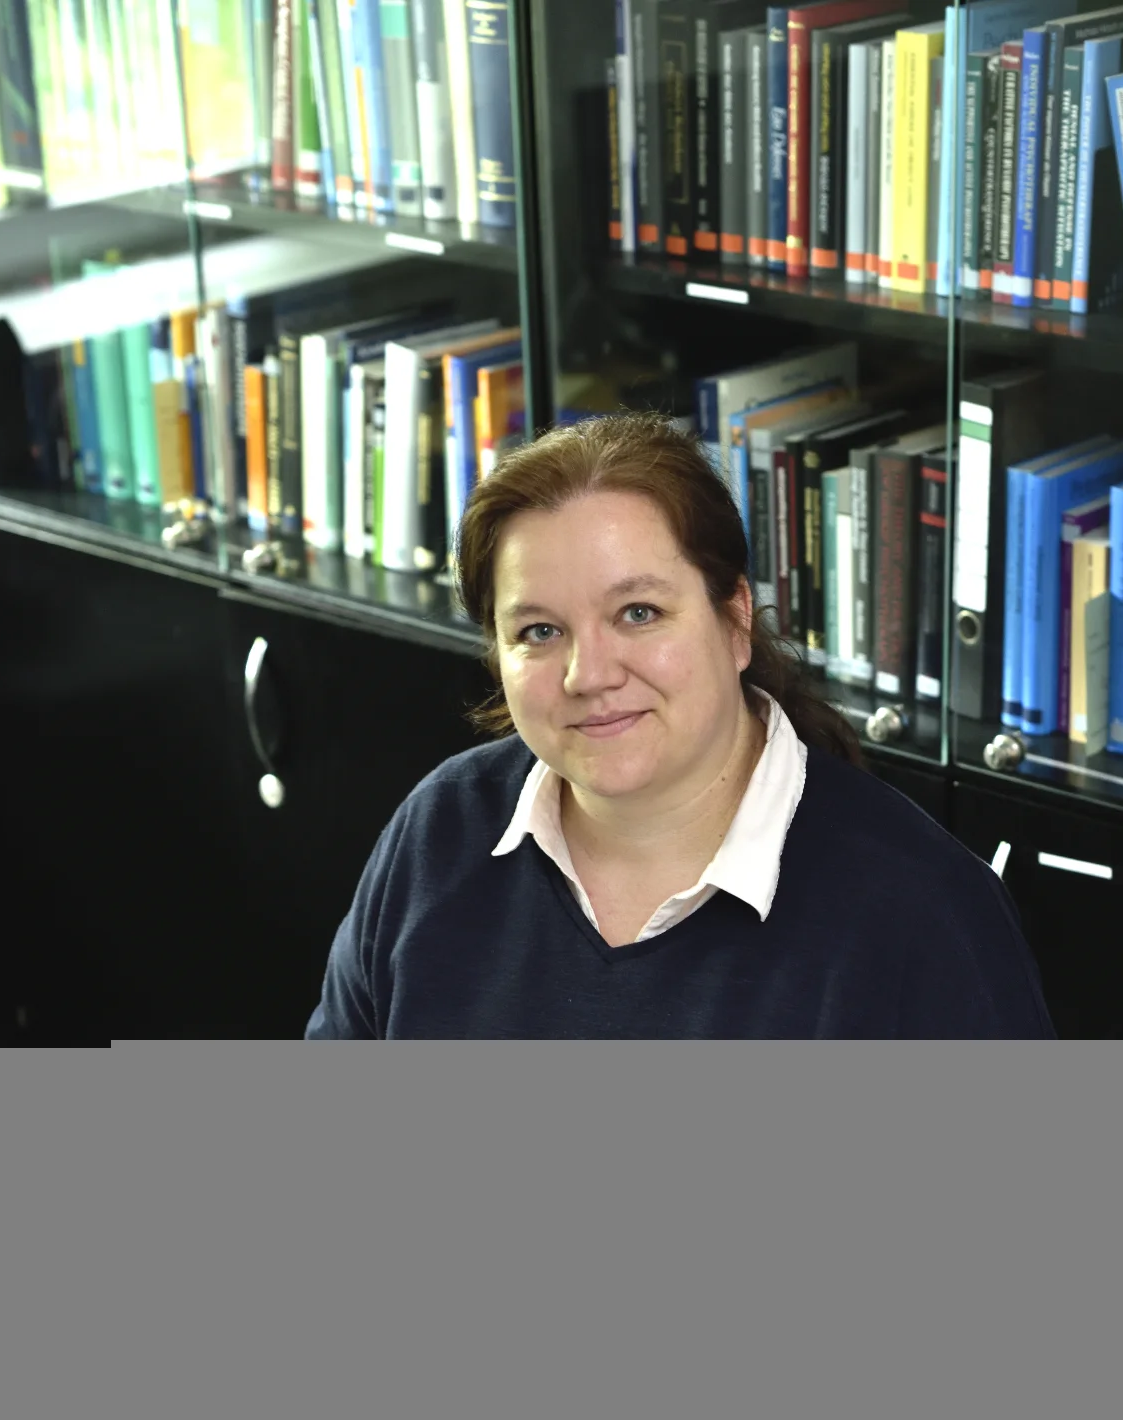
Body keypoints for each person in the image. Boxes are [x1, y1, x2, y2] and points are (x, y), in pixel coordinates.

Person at [305, 413, 1053, 1039]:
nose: (588, 675)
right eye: (540, 631)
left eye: (638, 613)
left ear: (735, 620)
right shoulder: (438, 834)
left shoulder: (925, 915)